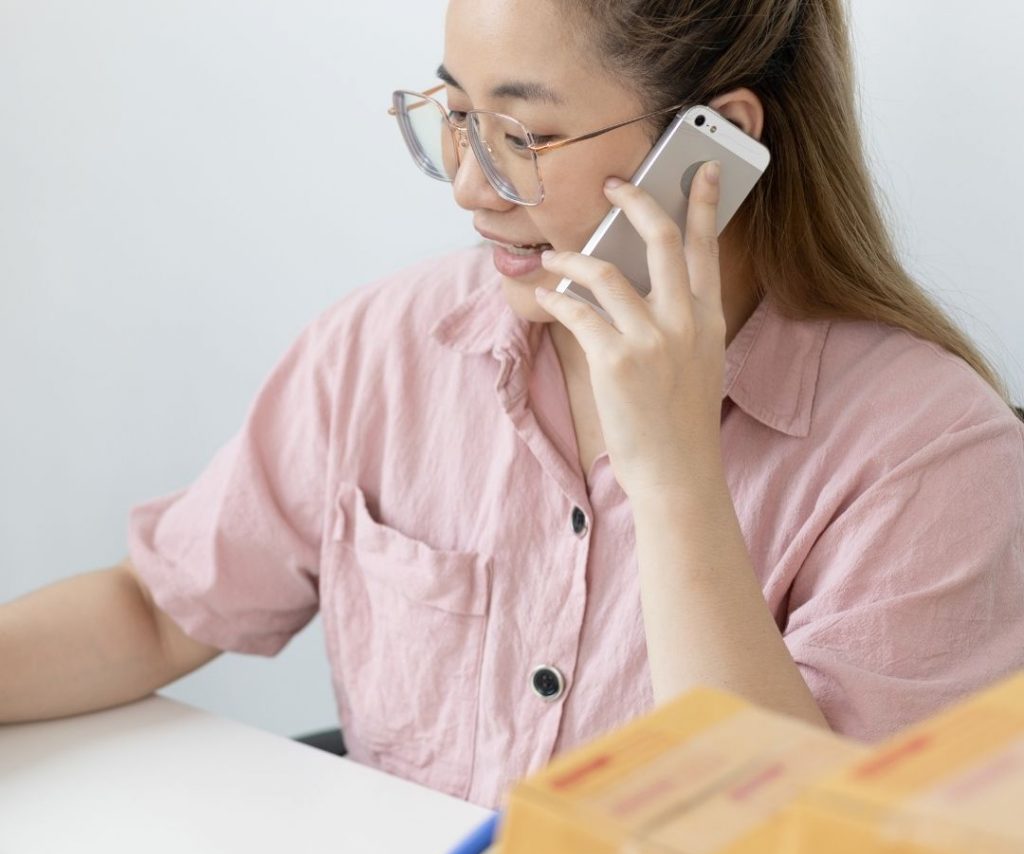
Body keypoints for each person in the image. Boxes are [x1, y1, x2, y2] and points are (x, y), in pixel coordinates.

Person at [2, 0, 1022, 808]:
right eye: (454, 117)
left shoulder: (931, 455)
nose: (466, 185)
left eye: (523, 135)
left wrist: (671, 479)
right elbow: (155, 608)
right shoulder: (389, 347)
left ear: (713, 146)